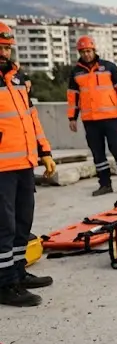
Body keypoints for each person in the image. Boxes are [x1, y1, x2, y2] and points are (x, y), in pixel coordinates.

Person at [0, 22, 56, 307]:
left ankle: (19, 272)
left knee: (23, 222)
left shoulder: (17, 77)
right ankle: (5, 283)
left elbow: (30, 117)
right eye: (0, 46)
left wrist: (44, 150)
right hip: (1, 168)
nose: (4, 51)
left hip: (23, 161)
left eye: (7, 46)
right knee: (4, 226)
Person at [67, 35, 117, 196]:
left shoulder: (108, 67)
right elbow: (72, 97)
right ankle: (105, 184)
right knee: (98, 154)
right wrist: (72, 118)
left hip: (110, 118)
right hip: (90, 120)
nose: (86, 54)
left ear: (94, 50)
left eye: (89, 51)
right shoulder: (76, 72)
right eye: (83, 52)